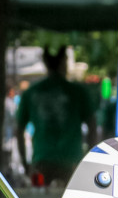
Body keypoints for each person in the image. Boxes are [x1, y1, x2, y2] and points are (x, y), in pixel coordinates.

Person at [16, 46, 96, 185]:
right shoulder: (77, 91)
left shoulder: (32, 92)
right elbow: (92, 125)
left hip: (41, 159)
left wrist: (25, 163)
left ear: (45, 64)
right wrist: (89, 161)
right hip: (72, 161)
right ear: (64, 63)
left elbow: (19, 129)